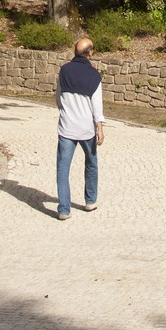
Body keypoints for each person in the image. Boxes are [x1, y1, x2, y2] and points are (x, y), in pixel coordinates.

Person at [55, 34, 104, 220]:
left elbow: (58, 98)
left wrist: (65, 111)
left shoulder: (64, 71)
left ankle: (64, 210)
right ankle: (90, 200)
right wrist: (99, 127)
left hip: (66, 127)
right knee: (91, 164)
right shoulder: (94, 75)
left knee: (62, 168)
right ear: (89, 53)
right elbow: (96, 105)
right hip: (86, 129)